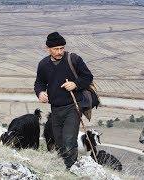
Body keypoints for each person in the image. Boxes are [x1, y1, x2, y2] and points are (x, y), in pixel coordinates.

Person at [34, 32, 93, 169]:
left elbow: (88, 77)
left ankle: (70, 169)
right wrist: (40, 93)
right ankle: (64, 167)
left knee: (69, 140)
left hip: (73, 106)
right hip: (55, 109)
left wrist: (75, 84)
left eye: (62, 48)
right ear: (47, 48)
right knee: (59, 142)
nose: (60, 51)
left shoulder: (74, 59)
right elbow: (39, 83)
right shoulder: (43, 64)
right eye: (56, 49)